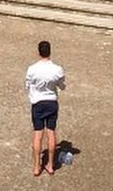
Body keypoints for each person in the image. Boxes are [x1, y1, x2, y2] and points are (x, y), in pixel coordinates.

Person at [25, 40, 66, 177]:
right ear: (50, 52)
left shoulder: (32, 69)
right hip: (51, 102)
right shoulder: (57, 69)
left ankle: (37, 166)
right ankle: (50, 165)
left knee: (38, 134)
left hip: (37, 102)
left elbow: (28, 85)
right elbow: (62, 86)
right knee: (51, 132)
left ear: (38, 52)